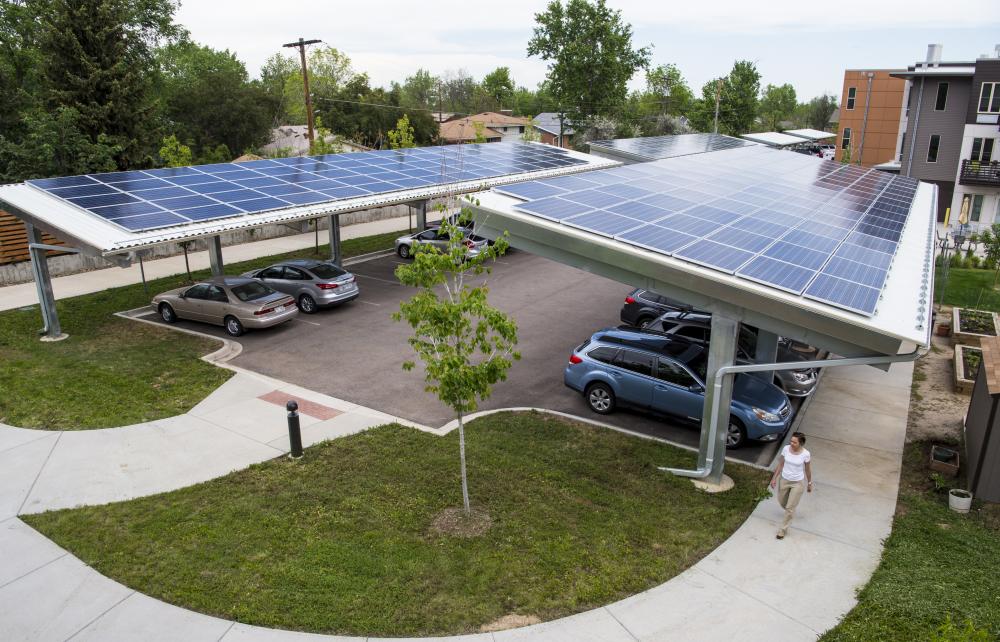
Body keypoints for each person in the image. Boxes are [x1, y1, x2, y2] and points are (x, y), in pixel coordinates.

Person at [770, 432, 812, 539]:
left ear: (800, 443)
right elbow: (781, 464)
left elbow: (807, 469)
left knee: (789, 508)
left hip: (797, 483)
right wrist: (774, 478)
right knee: (782, 502)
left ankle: (782, 530)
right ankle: (790, 510)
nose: (792, 443)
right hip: (784, 480)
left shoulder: (805, 454)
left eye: (794, 442)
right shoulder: (786, 449)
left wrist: (810, 483)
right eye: (791, 441)